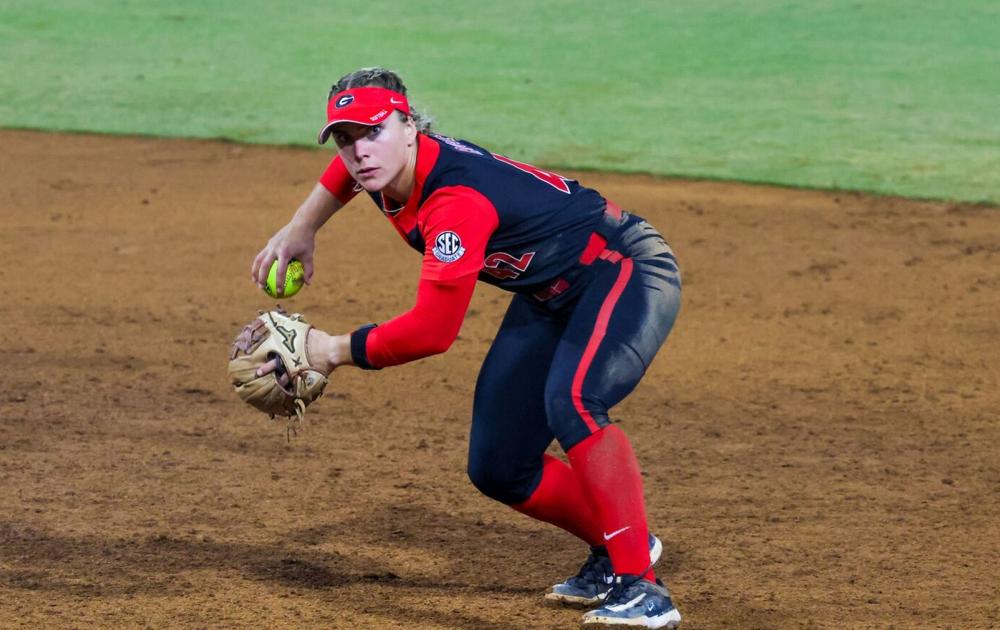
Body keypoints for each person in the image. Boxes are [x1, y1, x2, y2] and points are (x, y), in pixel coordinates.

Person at [251, 68, 683, 629]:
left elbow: (433, 330)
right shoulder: (382, 163)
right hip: (547, 294)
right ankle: (619, 544)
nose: (360, 152)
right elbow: (348, 168)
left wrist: (330, 349)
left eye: (374, 132)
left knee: (573, 402)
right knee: (499, 465)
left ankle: (643, 590)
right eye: (345, 136)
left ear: (411, 128)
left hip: (622, 269)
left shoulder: (455, 203)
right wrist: (300, 226)